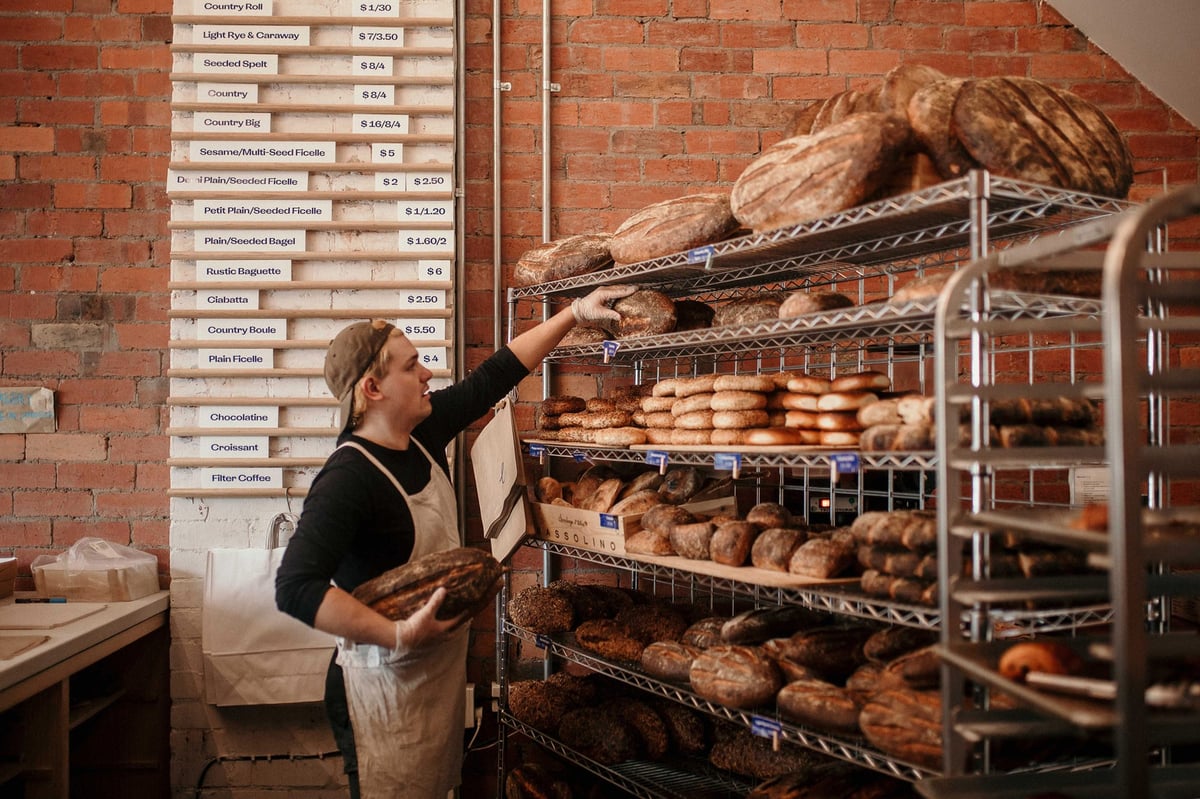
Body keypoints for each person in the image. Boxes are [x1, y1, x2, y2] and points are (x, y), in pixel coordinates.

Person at [275, 284, 635, 799]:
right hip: (380, 682)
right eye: (411, 366)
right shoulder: (348, 478)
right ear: (373, 389)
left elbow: (497, 375)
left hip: (429, 673)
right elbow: (295, 588)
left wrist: (574, 313)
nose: (427, 375)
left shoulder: (419, 431)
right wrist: (398, 635)